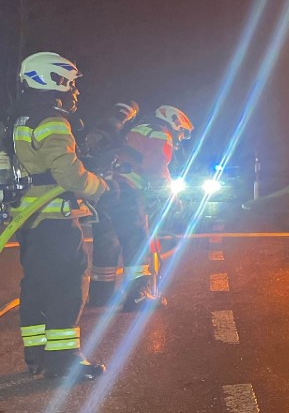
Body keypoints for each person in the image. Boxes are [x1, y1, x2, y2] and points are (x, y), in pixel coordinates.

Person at [11, 51, 110, 379]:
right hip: (55, 220)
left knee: (36, 287)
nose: (74, 92)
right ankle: (64, 361)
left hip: (29, 220)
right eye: (70, 84)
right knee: (67, 286)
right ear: (54, 81)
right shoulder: (52, 121)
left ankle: (37, 355)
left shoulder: (20, 119)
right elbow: (68, 175)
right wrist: (101, 187)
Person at [121, 104, 193, 308]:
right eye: (181, 132)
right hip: (134, 192)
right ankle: (142, 294)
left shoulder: (140, 128)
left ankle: (102, 293)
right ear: (174, 123)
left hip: (114, 188)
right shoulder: (161, 135)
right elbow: (156, 169)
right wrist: (171, 199)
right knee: (143, 241)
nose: (179, 137)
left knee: (109, 244)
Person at [81, 101, 149, 307]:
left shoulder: (99, 129)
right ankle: (138, 295)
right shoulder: (122, 131)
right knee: (135, 240)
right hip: (123, 191)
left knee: (106, 243)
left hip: (103, 192)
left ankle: (101, 295)